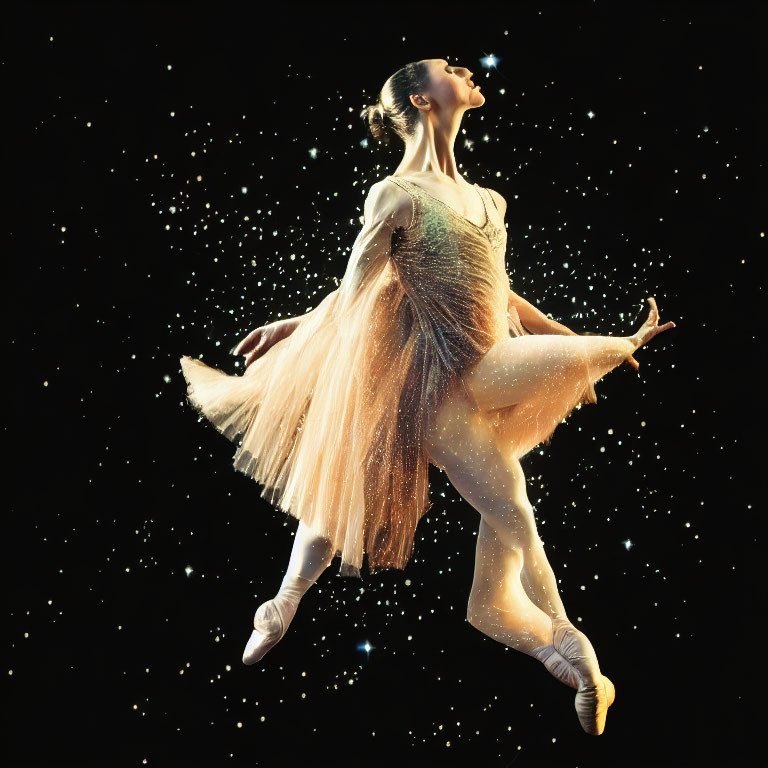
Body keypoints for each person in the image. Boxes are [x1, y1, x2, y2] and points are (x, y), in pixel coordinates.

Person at [179, 58, 675, 736]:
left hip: (484, 377)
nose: (467, 69)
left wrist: (576, 339)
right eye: (450, 67)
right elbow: (359, 289)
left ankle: (569, 655)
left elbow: (501, 294)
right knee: (346, 488)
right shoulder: (396, 194)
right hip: (421, 380)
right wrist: (298, 329)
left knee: (513, 527)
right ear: (422, 98)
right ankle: (283, 602)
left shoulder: (490, 202)